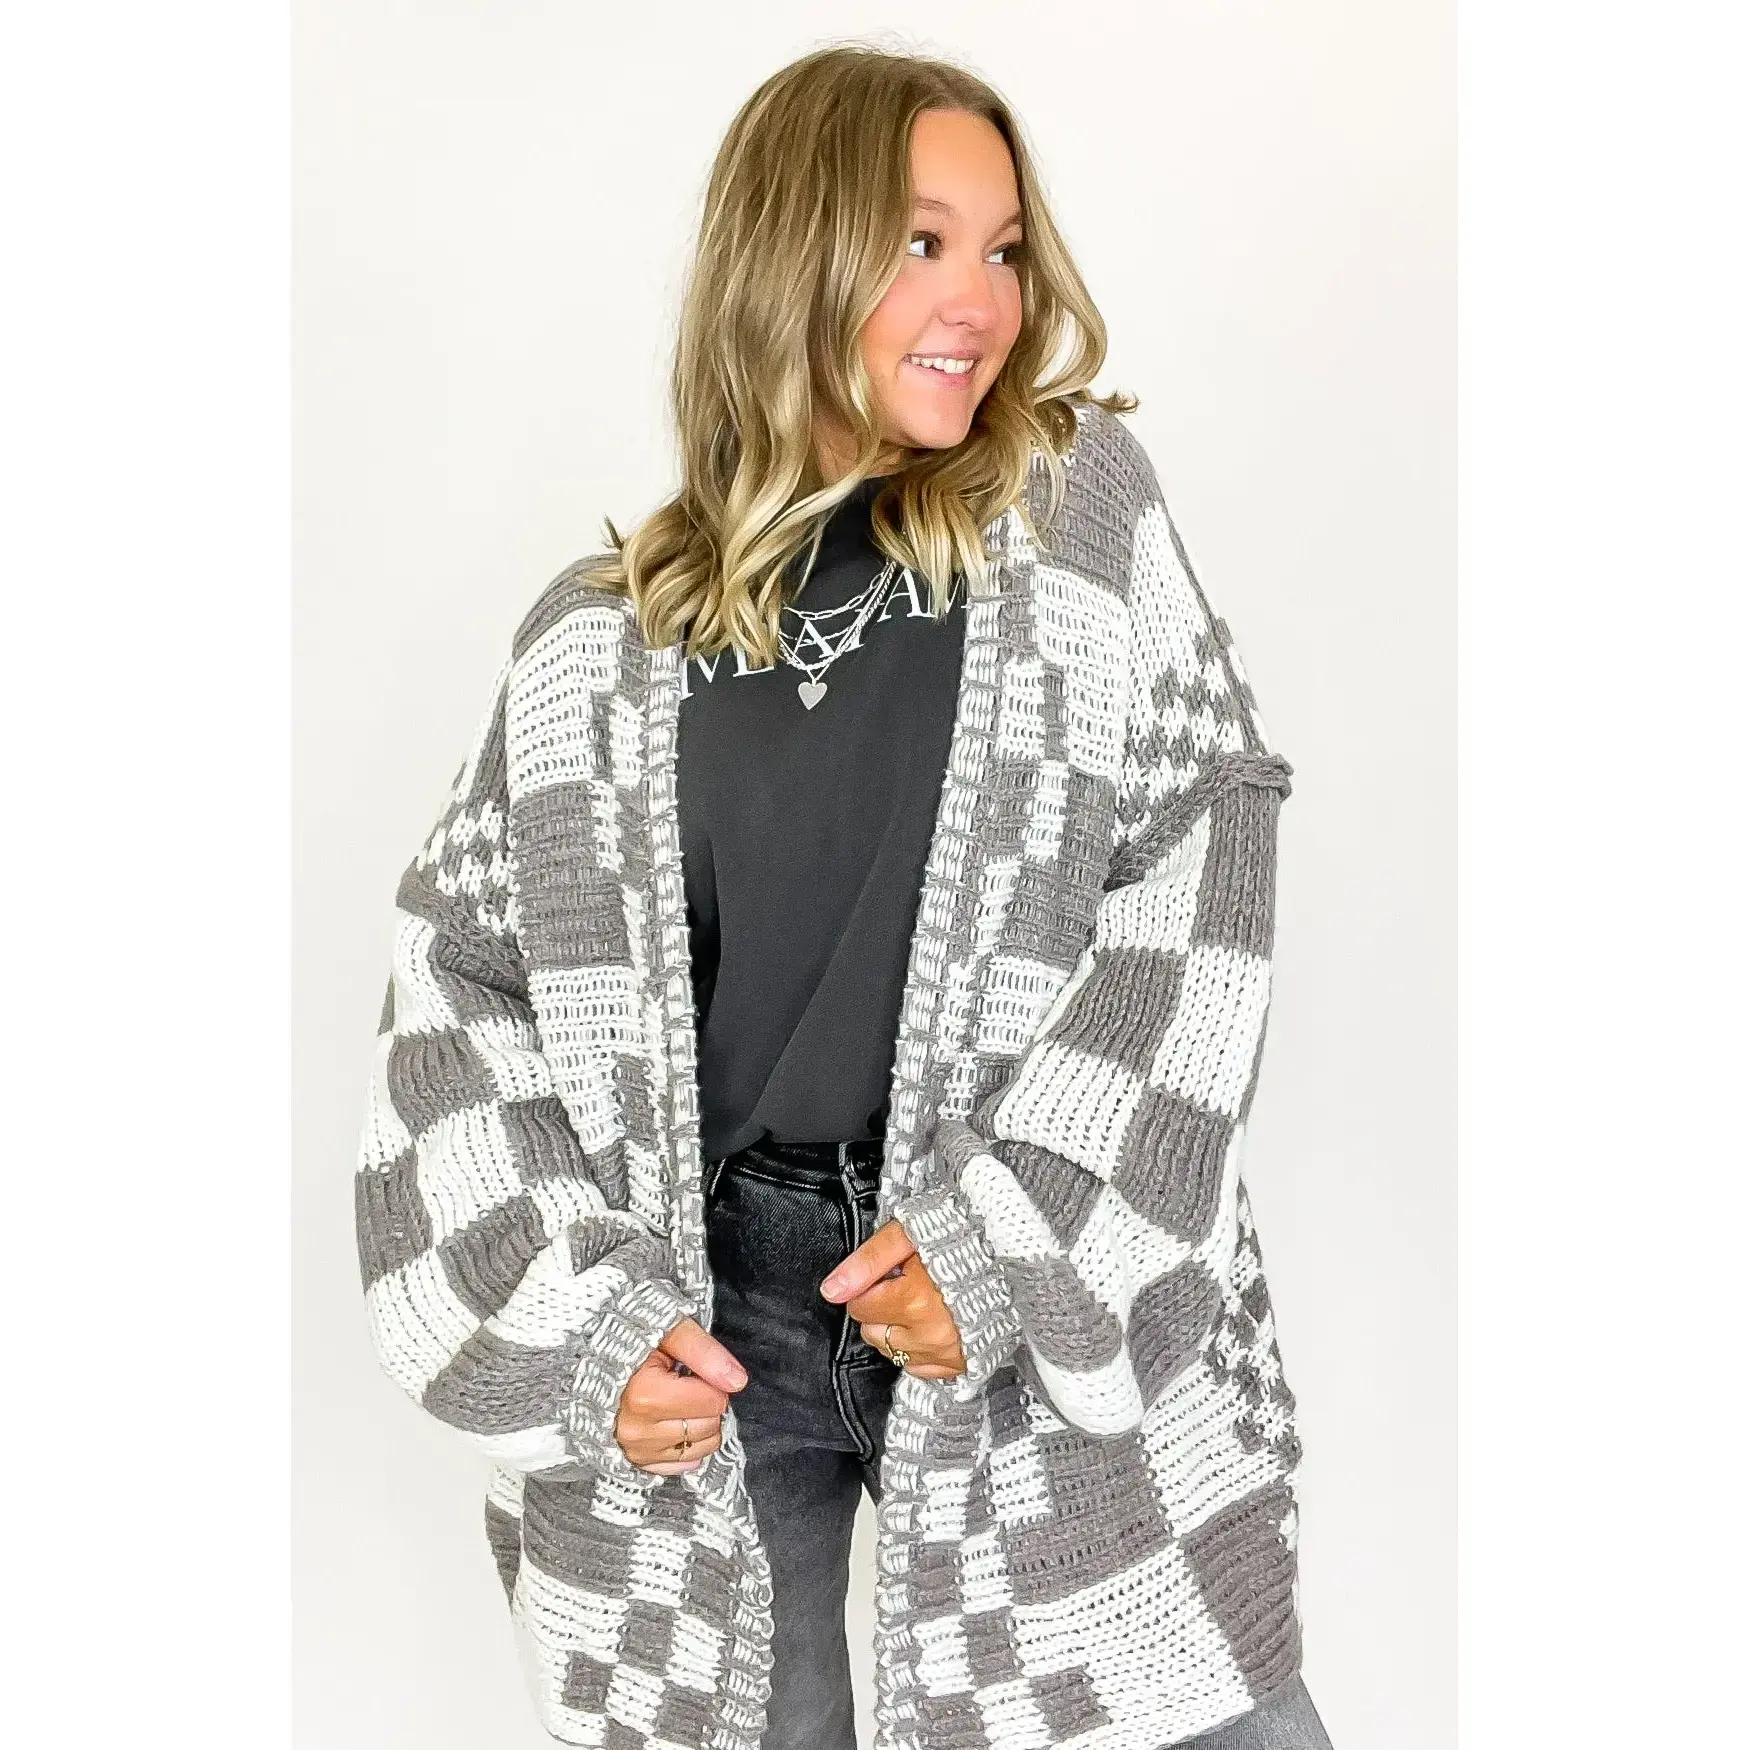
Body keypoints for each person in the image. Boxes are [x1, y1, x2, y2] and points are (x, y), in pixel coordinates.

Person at [353, 39, 1335, 1750]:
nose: (980, 301)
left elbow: (1196, 887)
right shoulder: (602, 636)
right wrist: (587, 1326)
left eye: (1003, 248)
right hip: (711, 1313)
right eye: (920, 243)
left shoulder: (1073, 526)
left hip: (996, 1269)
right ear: (790, 254)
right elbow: (460, 997)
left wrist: (1010, 1246)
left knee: (1201, 1702)